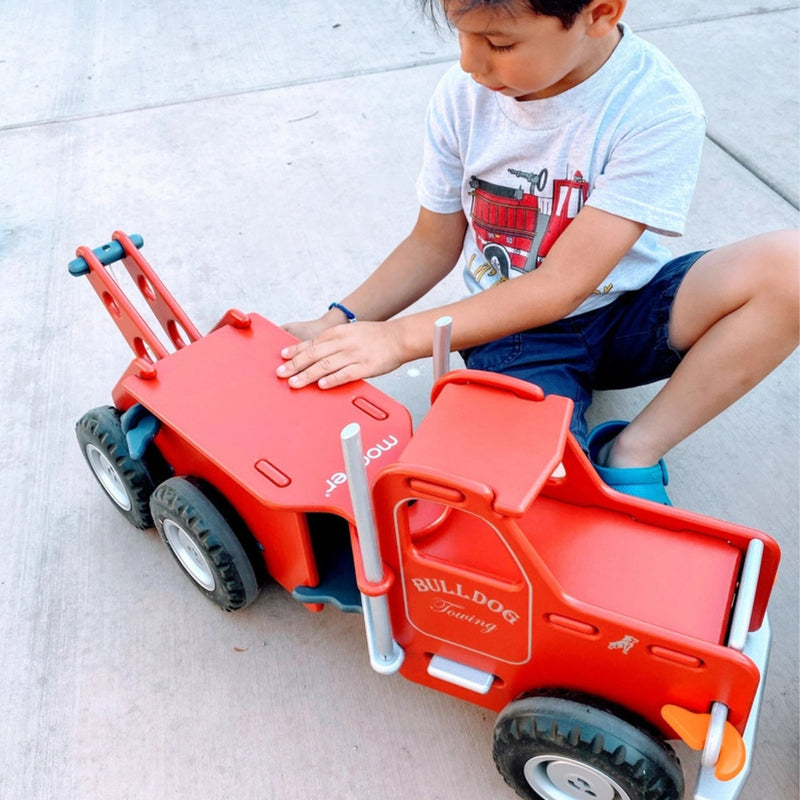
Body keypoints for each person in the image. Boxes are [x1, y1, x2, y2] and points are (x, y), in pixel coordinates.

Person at [277, 0, 798, 504]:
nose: (469, 62)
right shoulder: (465, 96)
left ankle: (633, 451)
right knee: (537, 498)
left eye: (498, 42)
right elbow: (431, 242)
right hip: (512, 333)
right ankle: (562, 442)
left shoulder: (656, 107)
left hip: (627, 311)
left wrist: (398, 338)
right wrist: (337, 319)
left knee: (791, 267)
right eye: (461, 32)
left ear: (600, 14)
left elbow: (561, 285)